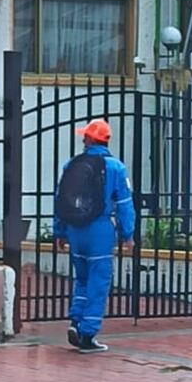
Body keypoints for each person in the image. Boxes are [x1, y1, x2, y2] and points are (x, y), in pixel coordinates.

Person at [54, 119, 136, 353]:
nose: (82, 139)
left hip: (75, 229)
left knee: (81, 278)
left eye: (85, 136)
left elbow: (59, 198)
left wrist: (60, 231)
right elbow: (124, 204)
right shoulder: (116, 167)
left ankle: (76, 322)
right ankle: (88, 334)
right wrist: (127, 234)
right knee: (99, 281)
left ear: (91, 139)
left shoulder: (72, 164)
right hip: (99, 230)